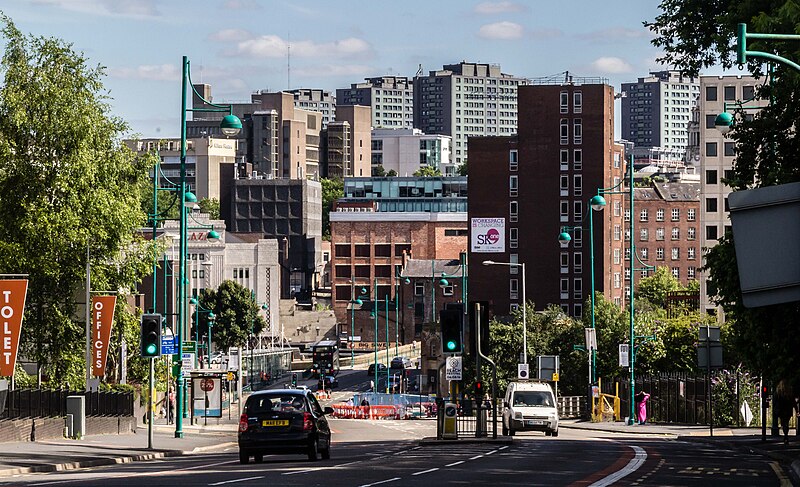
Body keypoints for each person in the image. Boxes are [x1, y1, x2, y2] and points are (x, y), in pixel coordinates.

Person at [774, 380, 796, 445]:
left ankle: (785, 435)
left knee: (783, 423)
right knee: (786, 422)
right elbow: (793, 402)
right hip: (788, 410)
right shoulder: (789, 393)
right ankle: (786, 435)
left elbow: (775, 402)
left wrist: (775, 410)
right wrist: (797, 410)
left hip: (781, 410)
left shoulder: (778, 392)